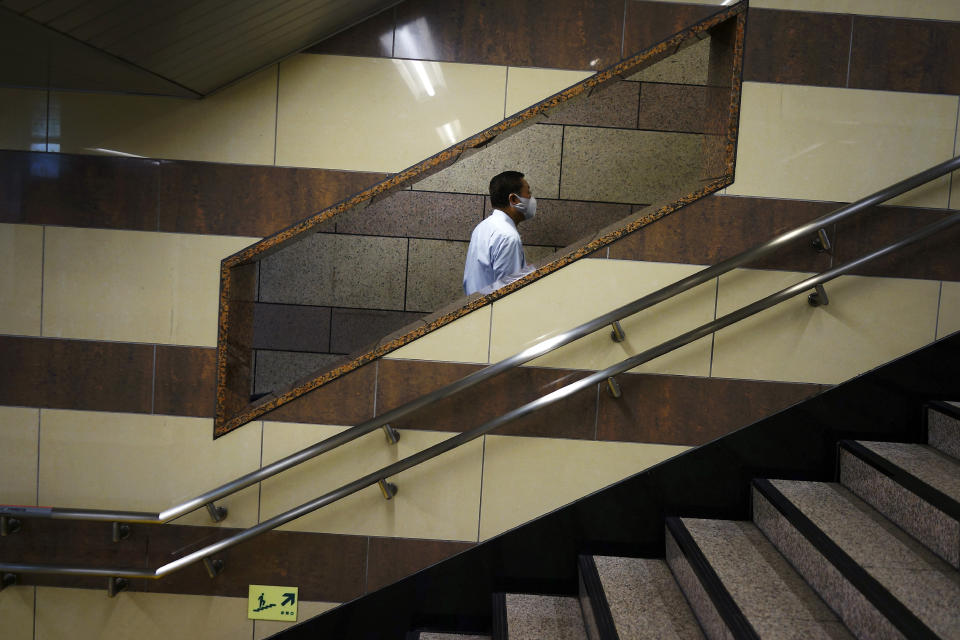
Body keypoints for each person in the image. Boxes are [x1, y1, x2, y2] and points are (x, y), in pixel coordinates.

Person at [462, 170, 537, 295]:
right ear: (514, 199)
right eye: (528, 192)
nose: (531, 198)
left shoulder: (482, 227)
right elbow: (509, 293)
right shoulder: (508, 236)